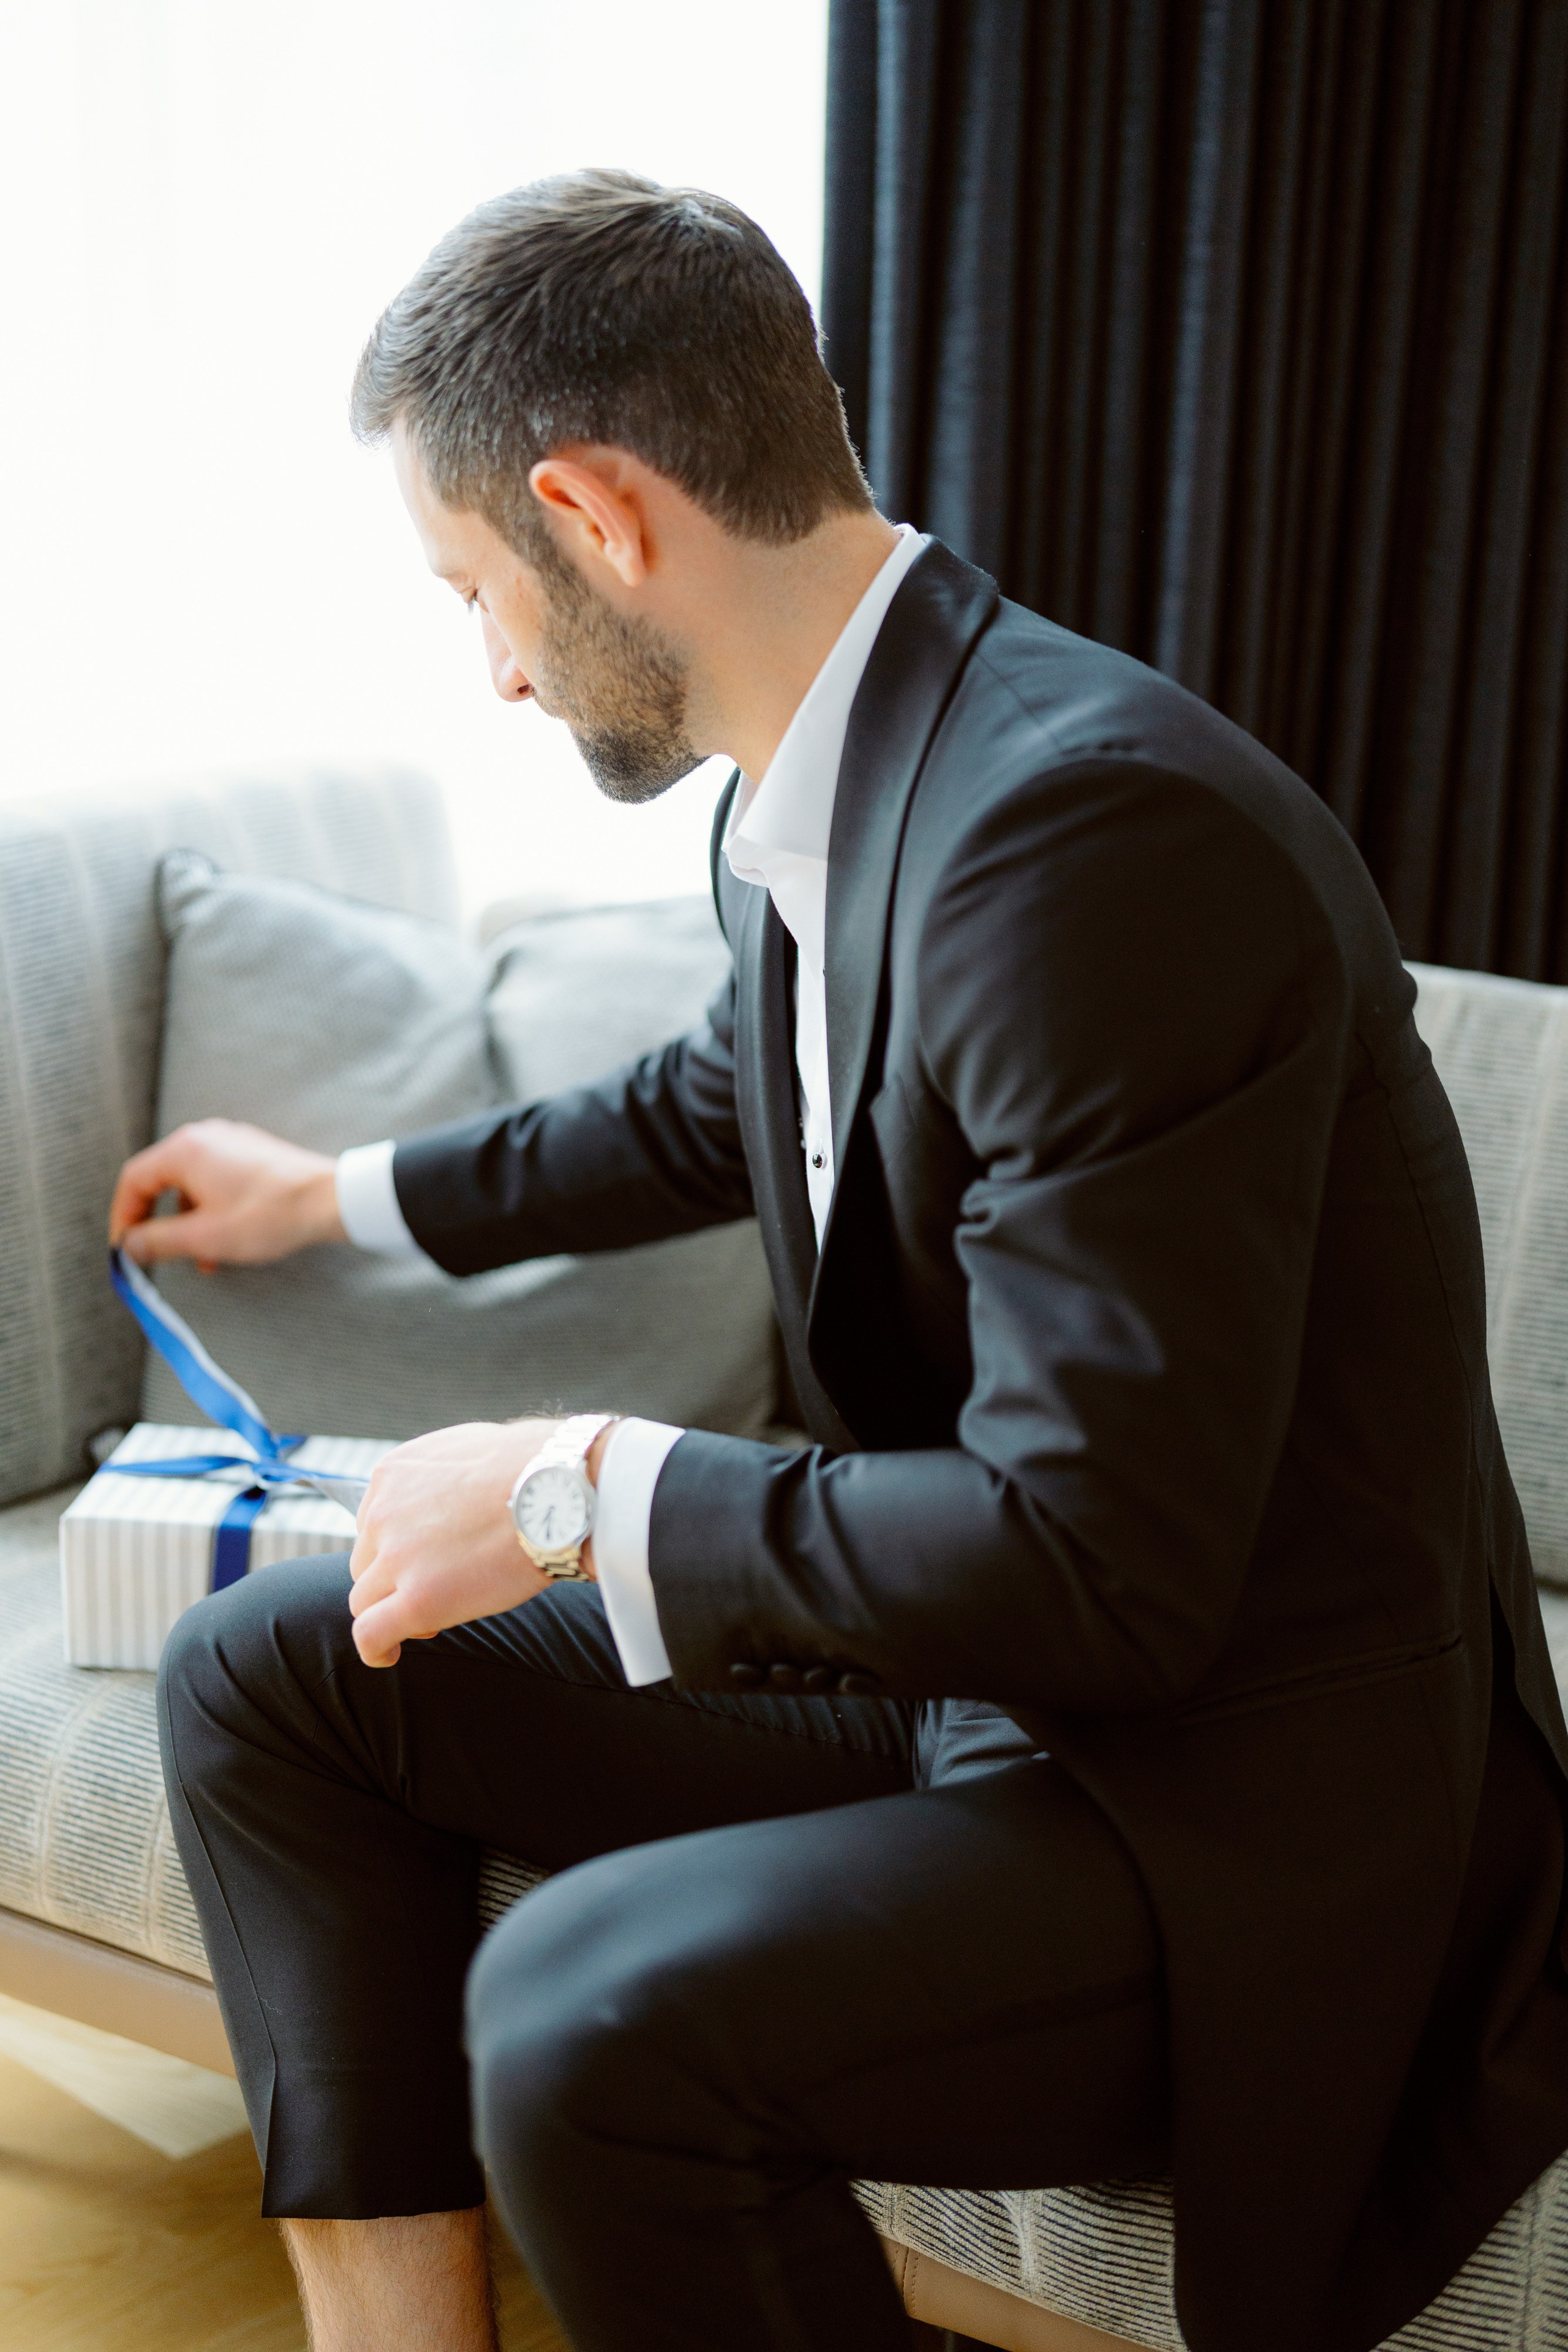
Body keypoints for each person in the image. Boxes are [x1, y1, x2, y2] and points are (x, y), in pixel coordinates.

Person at [117, 170, 1568, 2352]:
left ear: (594, 512)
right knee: (276, 1674)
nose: (497, 670)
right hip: (986, 1692)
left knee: (585, 2025)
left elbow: (1110, 1565)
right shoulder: (819, 776)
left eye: (475, 590)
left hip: (1225, 1804)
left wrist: (565, 1488)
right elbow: (723, 1108)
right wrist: (336, 1195)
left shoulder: (1088, 839)